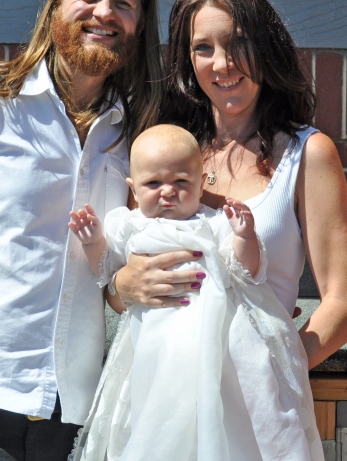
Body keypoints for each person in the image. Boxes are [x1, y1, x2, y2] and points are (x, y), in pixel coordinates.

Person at [0, 0, 178, 461]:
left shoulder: (140, 137)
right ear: (55, 4)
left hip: (72, 416)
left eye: (123, 3)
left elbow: (118, 275)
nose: (104, 12)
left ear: (139, 24)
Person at [112, 0, 347, 374]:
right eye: (203, 48)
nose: (223, 63)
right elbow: (124, 279)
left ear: (265, 47)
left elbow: (340, 301)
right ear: (188, 60)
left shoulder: (307, 153)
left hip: (259, 407)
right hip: (162, 388)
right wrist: (120, 287)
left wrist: (279, 370)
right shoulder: (162, 151)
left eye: (238, 43)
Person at [68, 124, 323, 461]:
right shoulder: (129, 224)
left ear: (202, 184)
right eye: (153, 183)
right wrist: (92, 242)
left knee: (231, 425)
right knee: (157, 423)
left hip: (220, 348)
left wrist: (244, 237)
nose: (167, 192)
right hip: (155, 349)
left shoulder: (214, 223)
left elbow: (247, 271)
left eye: (181, 182)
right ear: (133, 187)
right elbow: (105, 269)